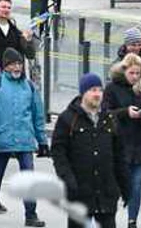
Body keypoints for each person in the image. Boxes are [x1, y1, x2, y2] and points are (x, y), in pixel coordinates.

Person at [0, 48, 47, 226]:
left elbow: (38, 116)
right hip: (0, 140)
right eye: (13, 64)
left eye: (19, 64)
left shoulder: (29, 86)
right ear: (5, 66)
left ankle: (31, 215)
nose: (17, 67)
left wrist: (43, 141)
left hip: (24, 141)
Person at [51, 73, 130, 228]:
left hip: (106, 192)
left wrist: (125, 186)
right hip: (79, 192)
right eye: (93, 90)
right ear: (83, 93)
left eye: (100, 90)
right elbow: (58, 153)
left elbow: (119, 155)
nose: (97, 94)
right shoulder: (68, 119)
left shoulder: (110, 119)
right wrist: (68, 180)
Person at [102, 54, 141, 228]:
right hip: (119, 144)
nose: (134, 77)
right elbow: (106, 114)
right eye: (131, 73)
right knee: (114, 187)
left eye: (138, 73)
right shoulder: (112, 88)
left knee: (136, 187)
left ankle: (132, 221)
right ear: (124, 71)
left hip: (139, 143)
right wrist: (125, 112)